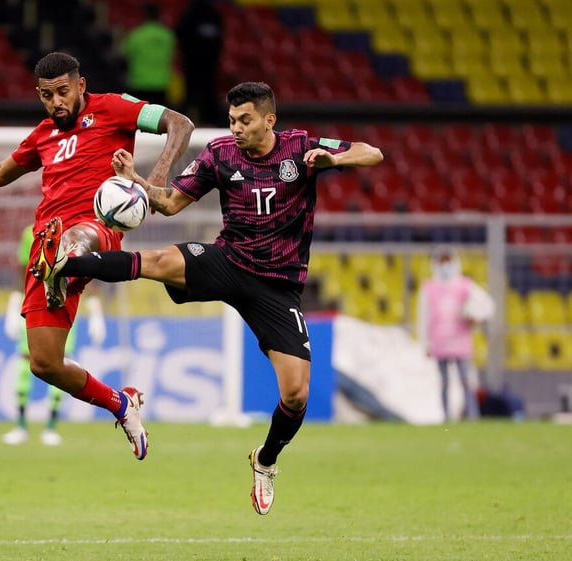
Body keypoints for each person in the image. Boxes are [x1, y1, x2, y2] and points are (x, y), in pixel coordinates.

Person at [36, 82, 383, 514]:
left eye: (245, 120)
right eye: (232, 119)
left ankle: (266, 459)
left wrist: (336, 158)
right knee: (158, 259)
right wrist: (136, 182)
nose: (235, 128)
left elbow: (372, 152)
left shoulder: (300, 148)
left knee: (295, 395)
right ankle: (64, 264)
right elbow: (170, 204)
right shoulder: (220, 153)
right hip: (229, 261)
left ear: (269, 120)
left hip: (277, 285)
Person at [0, 51, 194, 461]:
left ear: (80, 86)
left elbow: (180, 123)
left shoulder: (115, 108)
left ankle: (64, 264)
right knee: (44, 363)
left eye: (63, 92)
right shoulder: (42, 135)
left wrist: (156, 177)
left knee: (76, 238)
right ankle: (123, 405)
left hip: (97, 227)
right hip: (45, 242)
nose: (56, 103)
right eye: (47, 96)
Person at [1, 224, 107, 446]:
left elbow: (88, 271)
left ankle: (51, 426)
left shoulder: (79, 232)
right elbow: (23, 270)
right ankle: (20, 425)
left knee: (59, 365)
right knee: (25, 363)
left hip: (65, 309)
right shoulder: (29, 233)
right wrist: (12, 304)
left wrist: (96, 312)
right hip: (33, 308)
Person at [417, 246, 495, 422]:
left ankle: (472, 416)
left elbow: (486, 305)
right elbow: (423, 317)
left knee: (466, 381)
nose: (445, 266)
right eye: (441, 262)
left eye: (448, 262)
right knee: (443, 383)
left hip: (460, 342)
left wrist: (476, 315)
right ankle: (445, 418)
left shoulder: (465, 285)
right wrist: (425, 343)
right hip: (439, 343)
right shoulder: (429, 288)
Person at [175, 0, 223, 125]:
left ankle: (188, 122)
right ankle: (209, 122)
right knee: (206, 94)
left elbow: (181, 36)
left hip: (193, 64)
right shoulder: (214, 15)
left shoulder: (190, 14)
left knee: (193, 94)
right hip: (208, 65)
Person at [121, 4, 176, 106]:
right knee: (159, 118)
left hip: (139, 82)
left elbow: (125, 55)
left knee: (142, 118)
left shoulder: (136, 35)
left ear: (144, 17)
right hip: (162, 83)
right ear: (158, 16)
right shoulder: (168, 36)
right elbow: (172, 55)